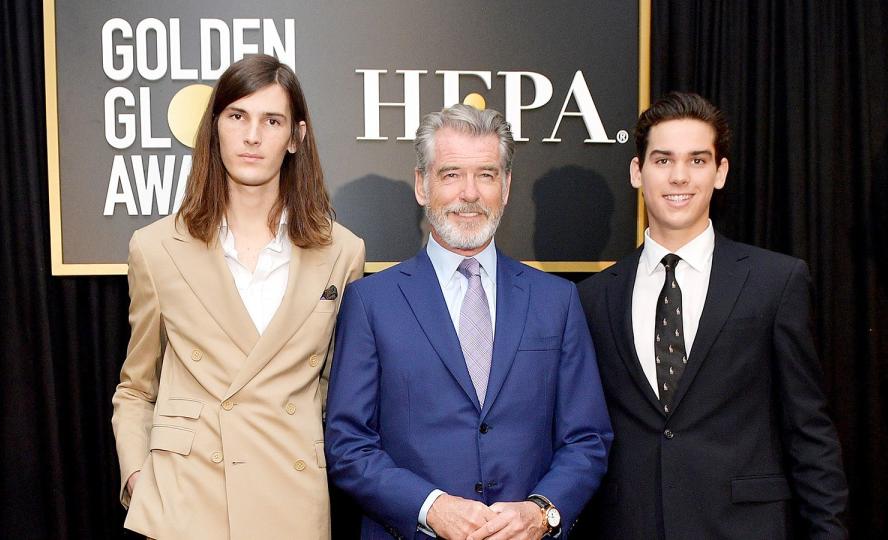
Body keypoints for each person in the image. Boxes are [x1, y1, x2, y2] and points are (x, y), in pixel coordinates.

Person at [324, 103, 613, 540]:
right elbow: (348, 445)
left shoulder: (557, 300)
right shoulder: (371, 302)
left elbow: (587, 439)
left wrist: (541, 512)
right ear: (422, 184)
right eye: (451, 173)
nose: (470, 193)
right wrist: (430, 507)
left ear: (507, 186)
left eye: (486, 174)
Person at [111, 54, 365, 540]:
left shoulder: (343, 251)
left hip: (290, 496)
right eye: (237, 117)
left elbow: (340, 390)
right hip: (186, 501)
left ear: (296, 137)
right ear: (215, 129)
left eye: (272, 121)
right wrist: (138, 478)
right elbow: (137, 387)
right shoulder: (156, 248)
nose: (252, 137)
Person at [576, 92, 849, 539]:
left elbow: (809, 430)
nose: (679, 177)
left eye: (697, 161)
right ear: (636, 172)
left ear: (720, 173)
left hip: (745, 528)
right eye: (662, 161)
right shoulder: (593, 298)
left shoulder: (775, 282)